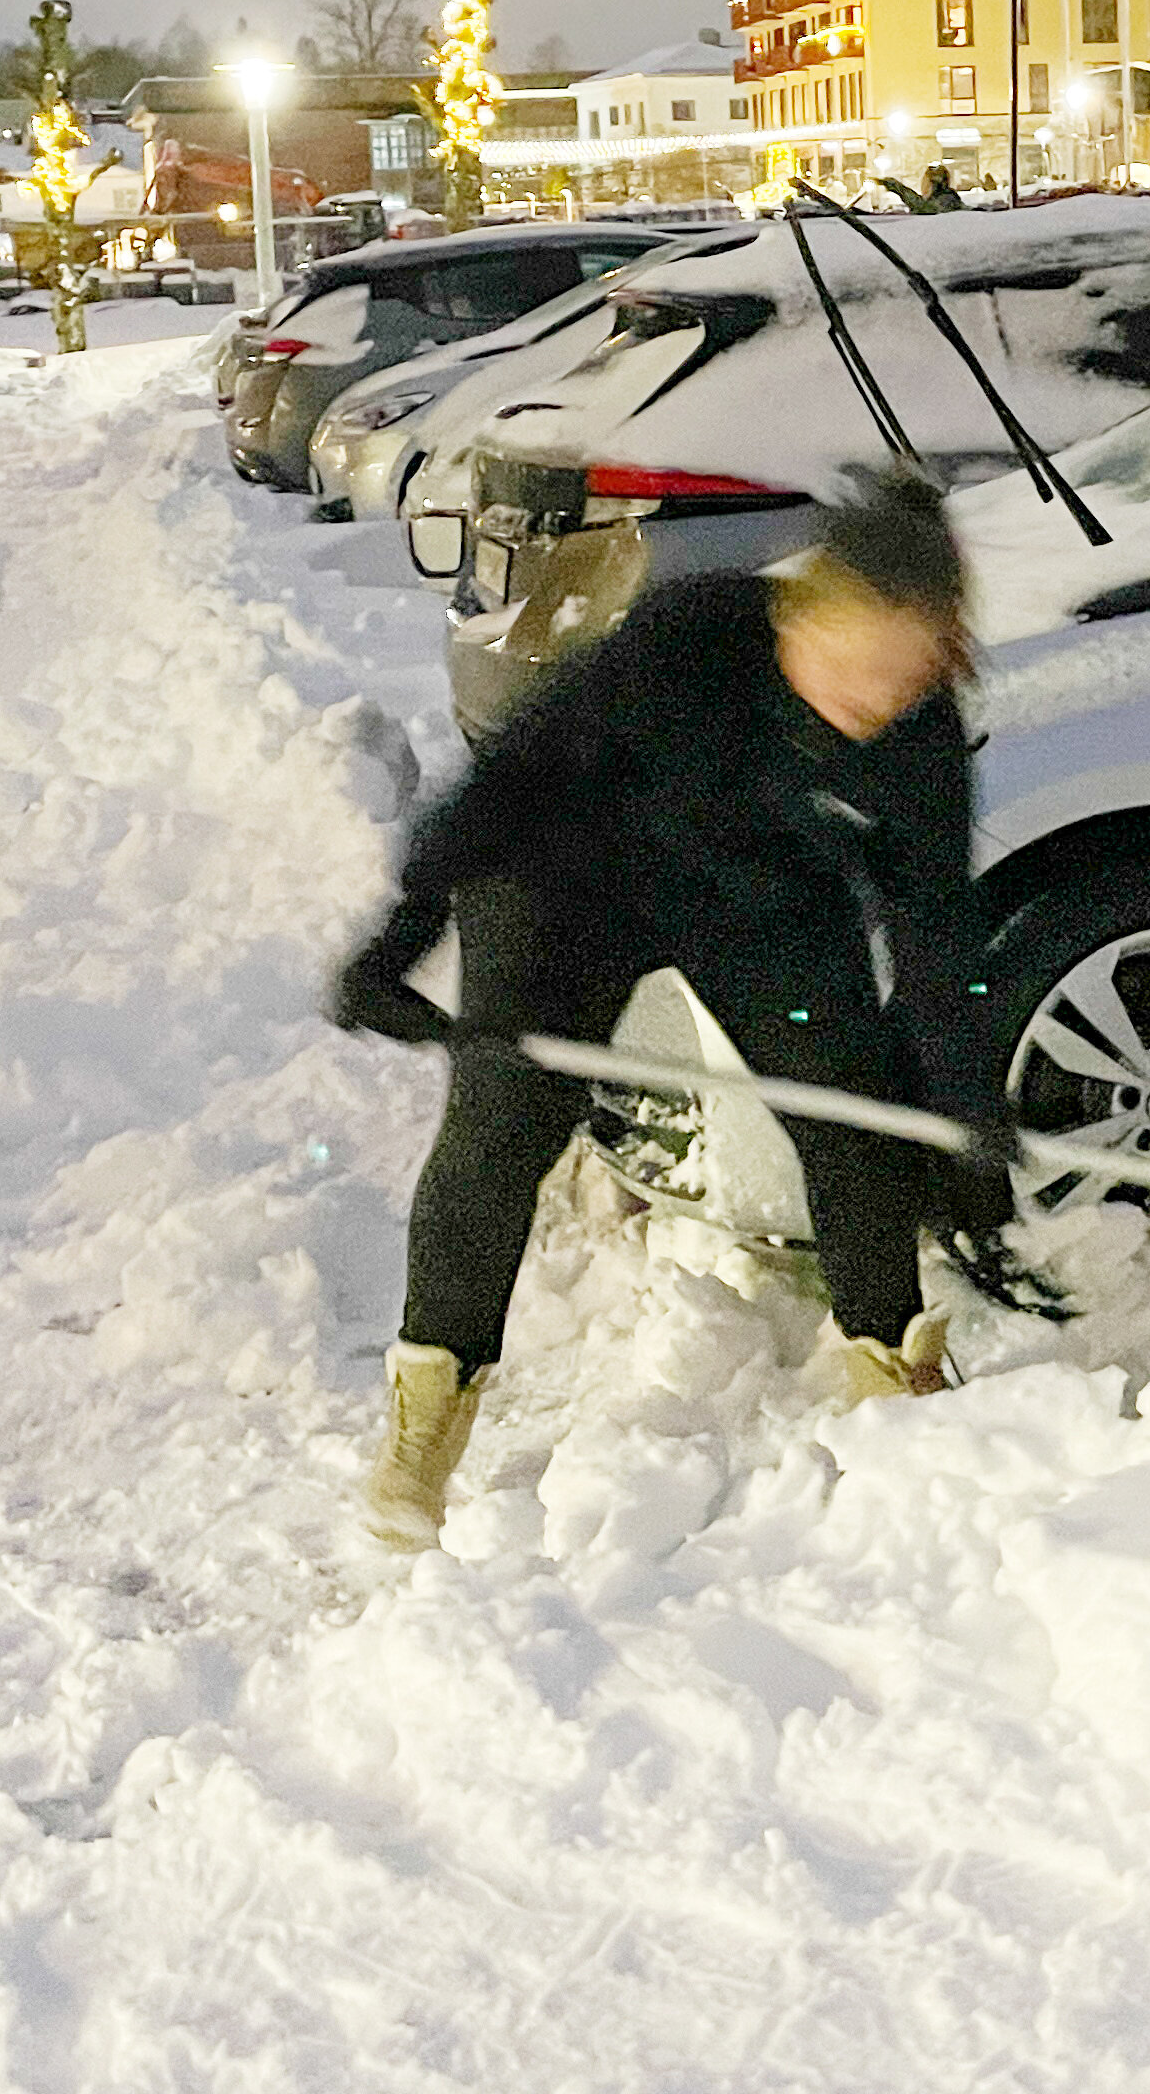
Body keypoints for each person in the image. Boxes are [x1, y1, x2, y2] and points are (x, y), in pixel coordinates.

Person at [327, 473, 1010, 1551]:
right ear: (801, 616)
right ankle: (424, 1430)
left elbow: (937, 929)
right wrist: (405, 930)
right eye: (857, 664)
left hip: (758, 896)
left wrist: (966, 1108)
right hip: (567, 879)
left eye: (907, 673)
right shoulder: (689, 639)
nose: (876, 698)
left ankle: (892, 1377)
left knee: (862, 1120)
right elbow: (520, 770)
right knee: (502, 1129)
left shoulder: (919, 729)